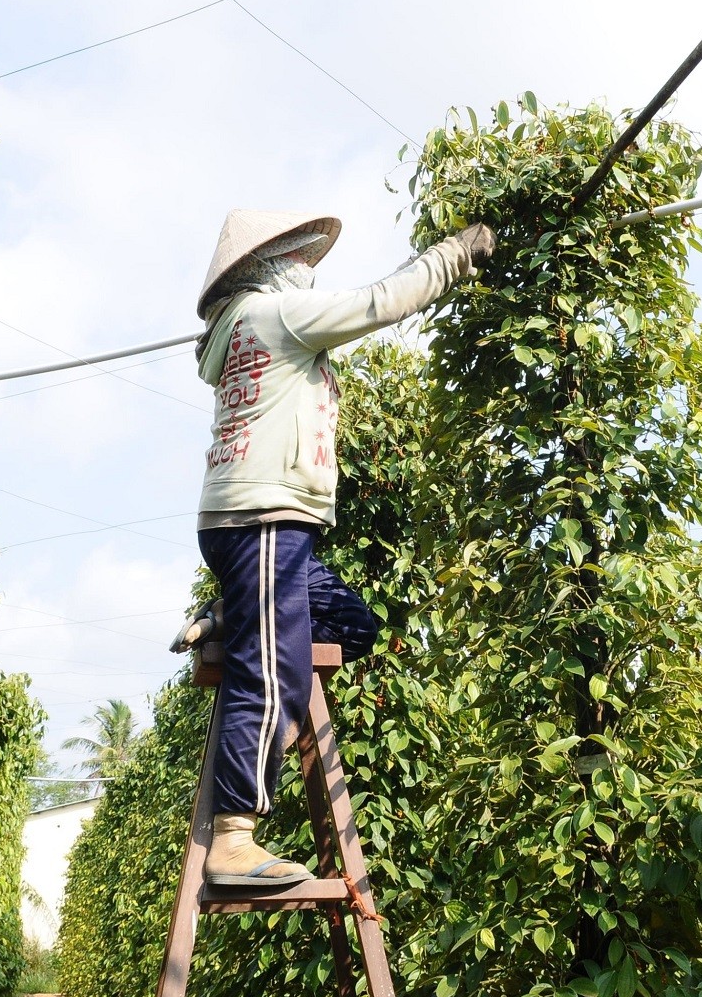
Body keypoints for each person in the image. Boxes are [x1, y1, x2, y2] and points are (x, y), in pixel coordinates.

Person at [178, 208, 494, 886]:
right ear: (265, 265)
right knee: (268, 676)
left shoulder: (248, 325)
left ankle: (235, 611)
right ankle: (234, 838)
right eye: (298, 255)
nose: (308, 267)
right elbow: (379, 303)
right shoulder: (273, 313)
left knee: (346, 623)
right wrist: (452, 256)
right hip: (261, 518)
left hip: (268, 522)